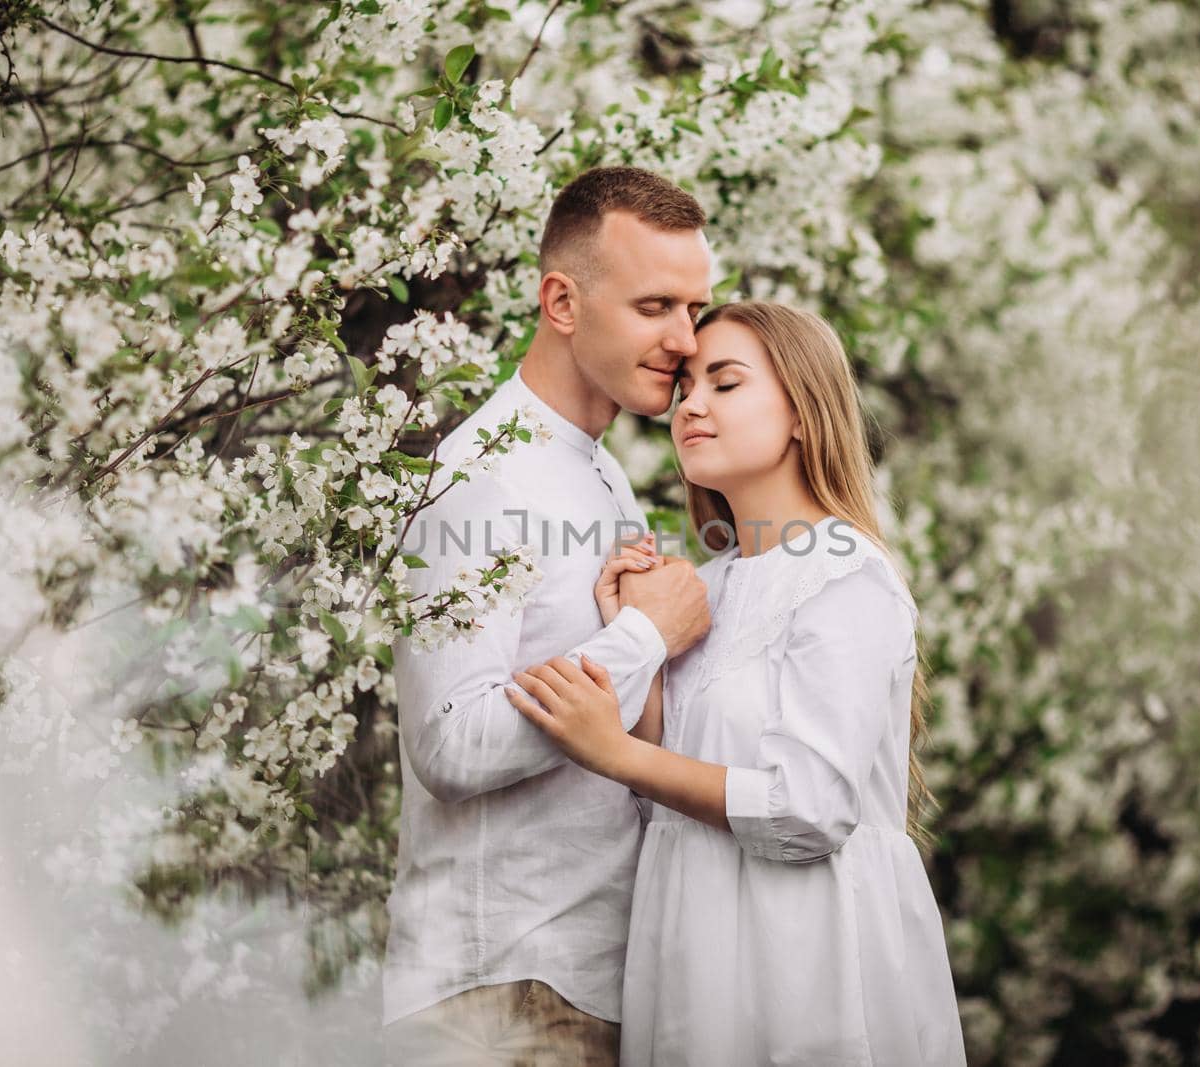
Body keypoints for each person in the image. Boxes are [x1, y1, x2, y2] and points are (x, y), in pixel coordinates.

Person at [506, 301, 968, 1065]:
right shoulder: (706, 586)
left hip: (807, 956)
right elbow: (675, 786)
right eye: (687, 385)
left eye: (726, 383)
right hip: (691, 946)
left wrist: (611, 750)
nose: (692, 404)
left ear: (802, 414)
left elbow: (808, 809)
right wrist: (643, 646)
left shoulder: (845, 573)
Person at [381, 166, 717, 1065]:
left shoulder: (598, 471)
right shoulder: (482, 475)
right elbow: (449, 744)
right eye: (656, 306)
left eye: (695, 308)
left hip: (587, 984)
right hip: (500, 993)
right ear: (561, 302)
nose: (685, 340)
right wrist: (646, 633)